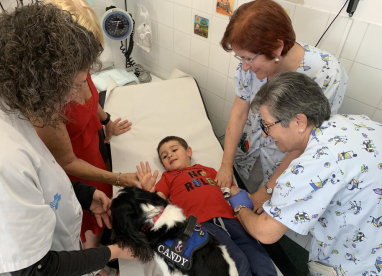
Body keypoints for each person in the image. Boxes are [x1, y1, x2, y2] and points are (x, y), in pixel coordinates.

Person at [0, 4, 133, 276]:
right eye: (76, 84)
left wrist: (84, 193)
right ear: (46, 79)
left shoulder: (9, 108)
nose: (77, 94)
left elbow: (42, 173)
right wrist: (113, 252)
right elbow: (37, 268)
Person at [228, 71, 382, 276]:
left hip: (359, 263)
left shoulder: (314, 164)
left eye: (267, 125)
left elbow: (265, 232)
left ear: (299, 121)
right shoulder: (355, 122)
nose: (266, 134)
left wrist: (240, 207)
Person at [217, 0, 348, 214]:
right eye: (241, 58)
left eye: (249, 58)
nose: (245, 66)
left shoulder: (325, 73)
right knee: (243, 206)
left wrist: (270, 188)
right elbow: (239, 112)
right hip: (250, 152)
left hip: (287, 164)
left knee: (267, 217)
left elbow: (309, 140)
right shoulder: (248, 66)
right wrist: (226, 164)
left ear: (277, 47)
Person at [37, 0, 139, 251]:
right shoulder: (43, 104)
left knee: (102, 209)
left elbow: (91, 99)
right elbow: (67, 162)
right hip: (73, 169)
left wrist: (107, 122)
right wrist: (118, 177)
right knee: (84, 218)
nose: (89, 68)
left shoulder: (80, 69)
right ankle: (93, 262)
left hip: (93, 152)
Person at [137, 136, 277, 276]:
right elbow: (158, 200)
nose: (170, 155)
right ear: (163, 165)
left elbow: (229, 187)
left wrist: (250, 199)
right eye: (165, 156)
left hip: (230, 219)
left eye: (174, 149)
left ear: (189, 151)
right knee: (235, 262)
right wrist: (148, 192)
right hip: (201, 225)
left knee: (259, 258)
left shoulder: (208, 170)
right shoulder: (167, 178)